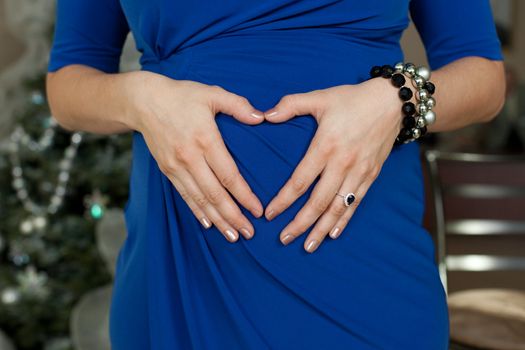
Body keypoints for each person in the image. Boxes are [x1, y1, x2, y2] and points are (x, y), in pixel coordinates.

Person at [45, 0, 505, 349]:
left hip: (361, 254)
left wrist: (396, 99)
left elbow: (483, 79)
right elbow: (68, 86)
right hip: (185, 254)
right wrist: (139, 99)